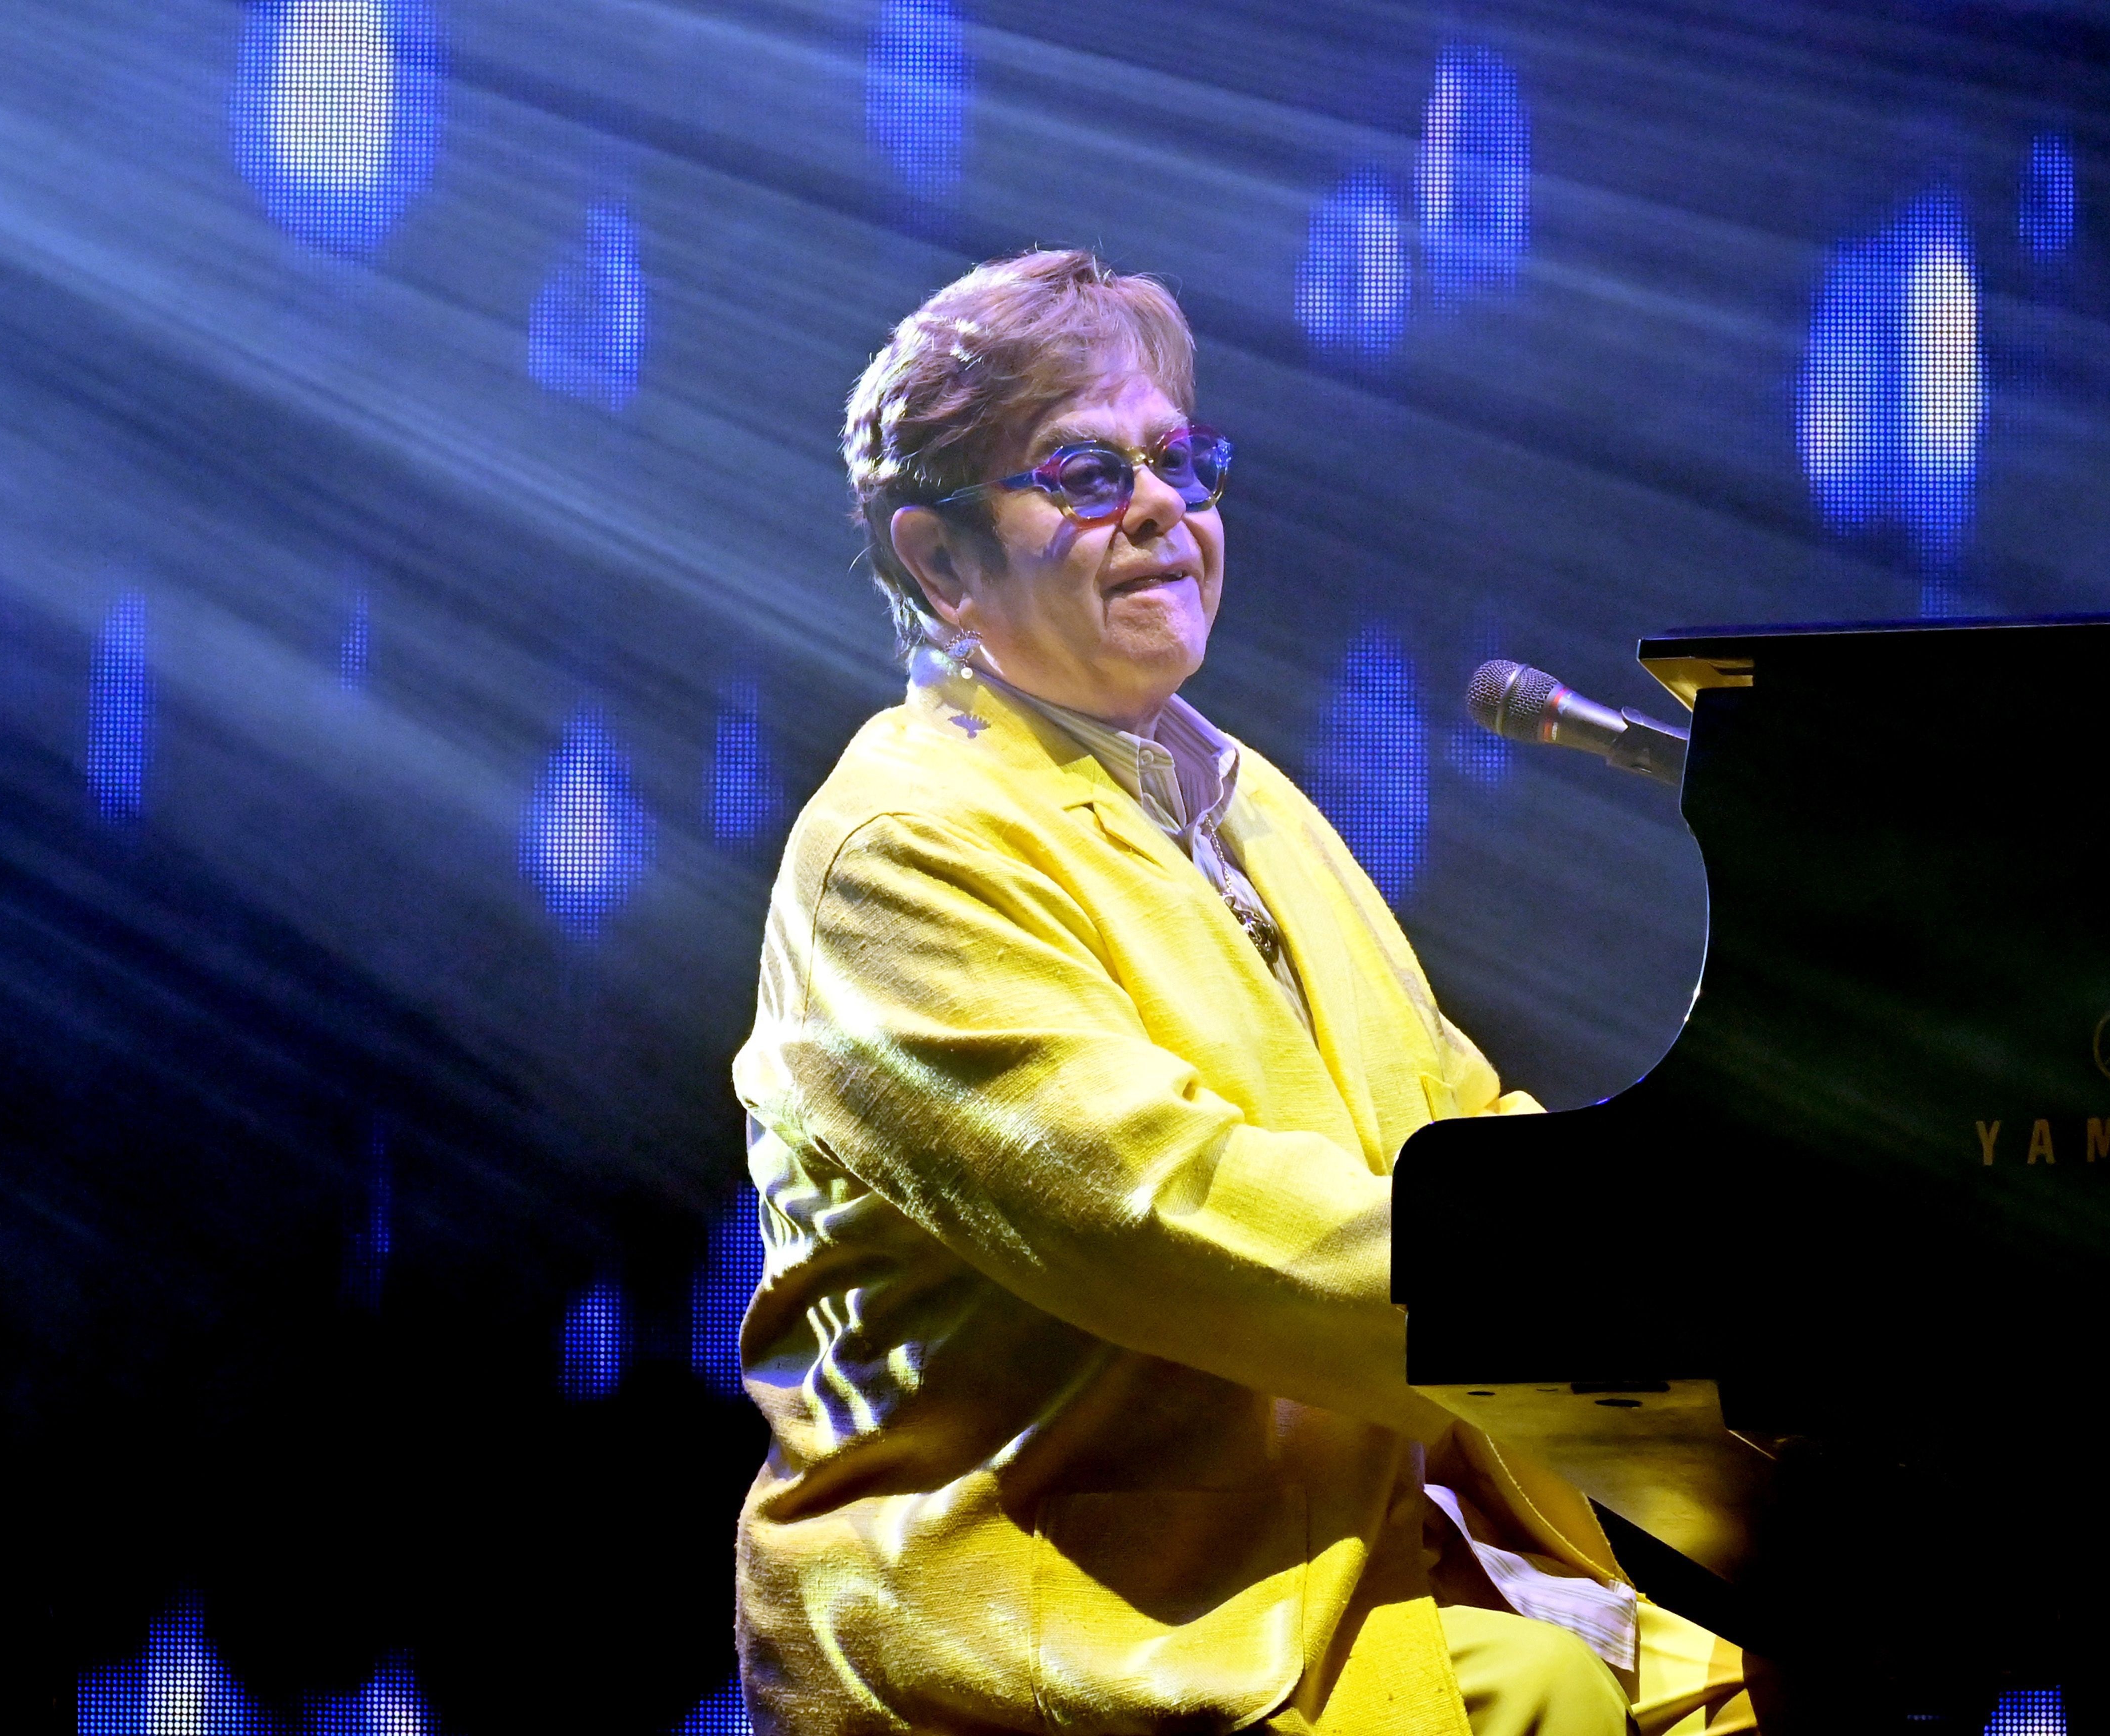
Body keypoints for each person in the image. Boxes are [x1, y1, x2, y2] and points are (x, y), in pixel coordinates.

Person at [731, 249, 1757, 1736]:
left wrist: (1726, 1241)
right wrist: (1618, 1289)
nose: (1162, 507)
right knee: (1556, 1692)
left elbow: (1454, 1118)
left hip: (1354, 1525)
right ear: (941, 563)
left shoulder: (1240, 793)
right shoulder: (900, 853)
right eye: (1083, 475)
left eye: (1178, 461)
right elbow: (1174, 1215)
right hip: (1097, 1599)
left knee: (1764, 1669)